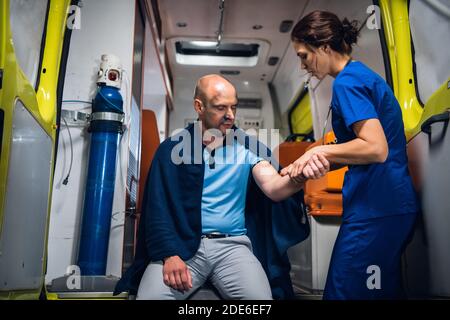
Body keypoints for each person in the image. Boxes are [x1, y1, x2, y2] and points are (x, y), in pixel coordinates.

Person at [114, 74, 330, 300]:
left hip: (232, 247)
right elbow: (157, 209)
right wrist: (170, 255)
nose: (230, 116)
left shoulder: (248, 147)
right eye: (221, 108)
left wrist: (300, 177)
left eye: (234, 107)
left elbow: (274, 188)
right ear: (199, 106)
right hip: (182, 247)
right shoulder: (172, 150)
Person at [283, 11, 420, 299]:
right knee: (378, 292)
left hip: (377, 209)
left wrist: (321, 149)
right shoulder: (360, 75)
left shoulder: (348, 83)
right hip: (385, 206)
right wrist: (311, 159)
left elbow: (375, 148)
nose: (302, 65)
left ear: (323, 47)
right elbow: (363, 149)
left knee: (345, 293)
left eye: (303, 55)